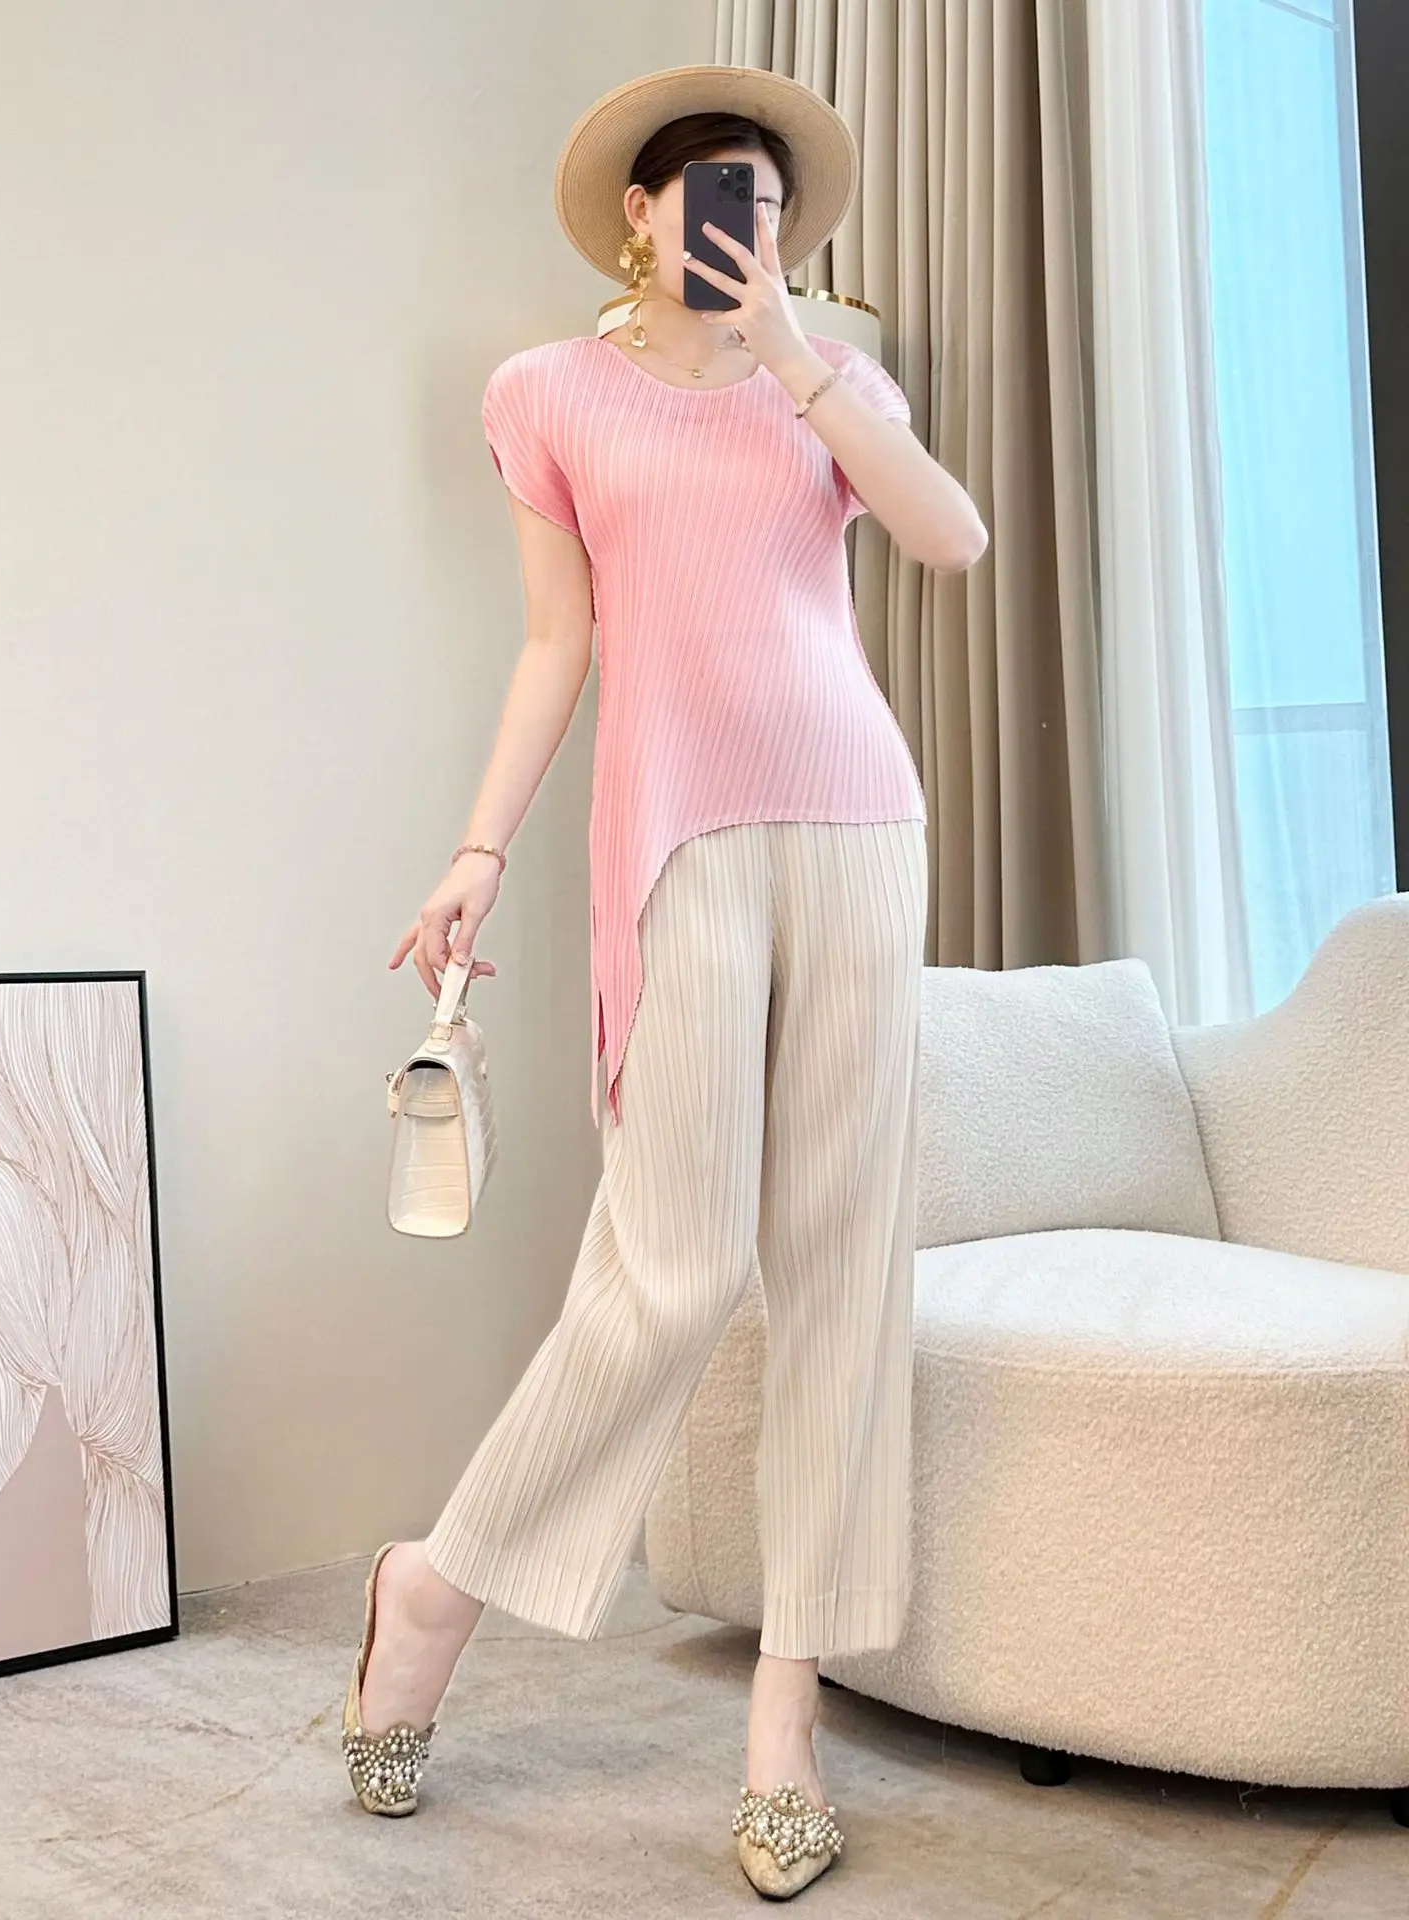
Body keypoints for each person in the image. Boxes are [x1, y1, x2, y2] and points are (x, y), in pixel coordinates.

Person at [339, 62, 987, 1900]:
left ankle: (787, 1719)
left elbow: (950, 540)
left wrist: (794, 356)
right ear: (640, 214)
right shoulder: (547, 393)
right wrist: (479, 850)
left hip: (858, 829)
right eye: (707, 194)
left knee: (846, 1276)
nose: (736, 224)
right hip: (679, 841)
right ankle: (434, 1589)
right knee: (674, 1269)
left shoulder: (834, 376)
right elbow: (561, 642)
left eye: (763, 201)